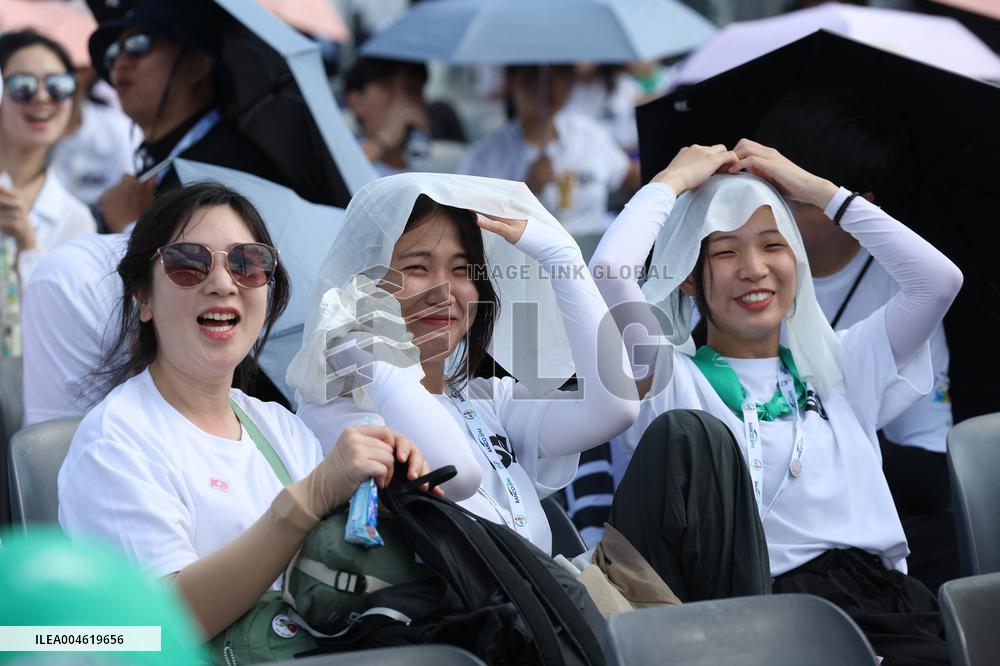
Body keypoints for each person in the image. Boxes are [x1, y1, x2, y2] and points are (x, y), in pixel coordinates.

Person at [589, 141, 961, 664]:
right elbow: (609, 271)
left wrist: (818, 191)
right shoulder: (672, 379)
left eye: (772, 245)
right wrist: (669, 182)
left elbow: (939, 281)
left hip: (887, 607)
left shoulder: (840, 365)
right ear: (690, 280)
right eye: (725, 252)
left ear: (797, 260)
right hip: (765, 618)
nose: (754, 269)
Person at [58, 183, 435, 639]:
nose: (222, 284)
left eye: (248, 263)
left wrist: (384, 502)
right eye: (188, 263)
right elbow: (158, 627)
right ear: (143, 297)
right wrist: (307, 500)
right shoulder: (114, 442)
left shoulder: (276, 425)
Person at [290, 173, 640, 556]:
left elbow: (615, 408)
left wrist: (563, 259)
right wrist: (369, 354)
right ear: (364, 286)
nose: (444, 292)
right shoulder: (338, 414)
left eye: (461, 270)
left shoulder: (484, 400)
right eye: (417, 268)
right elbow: (457, 474)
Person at [753, 88, 959, 591]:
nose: (769, 215)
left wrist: (827, 440)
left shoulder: (903, 288)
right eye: (765, 190)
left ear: (854, 205)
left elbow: (932, 475)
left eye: (794, 197)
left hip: (859, 526)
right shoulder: (736, 269)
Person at [87, 0, 288, 233]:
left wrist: (128, 226)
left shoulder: (234, 170)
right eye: (113, 52)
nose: (120, 62)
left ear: (198, 65)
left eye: (138, 44)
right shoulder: (157, 159)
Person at [0, 31, 96, 358]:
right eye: (22, 86)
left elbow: (61, 330)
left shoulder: (76, 219)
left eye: (59, 85)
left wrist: (27, 244)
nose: (42, 97)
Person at [458, 65, 640, 237]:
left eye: (561, 74)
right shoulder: (484, 157)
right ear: (512, 82)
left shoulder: (587, 134)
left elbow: (625, 176)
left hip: (594, 255)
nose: (552, 85)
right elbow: (470, 224)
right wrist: (527, 189)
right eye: (536, 75)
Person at [343, 56, 433, 176]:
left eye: (412, 89)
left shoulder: (434, 165)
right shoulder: (341, 155)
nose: (401, 99)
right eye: (387, 86)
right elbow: (339, 177)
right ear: (356, 102)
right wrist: (383, 139)